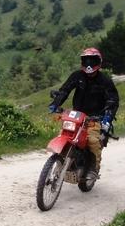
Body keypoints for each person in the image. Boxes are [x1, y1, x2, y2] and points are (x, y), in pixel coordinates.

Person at [48, 47, 119, 175]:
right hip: (77, 116)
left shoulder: (105, 81)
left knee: (92, 141)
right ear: (82, 62)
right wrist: (55, 104)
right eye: (86, 61)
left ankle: (93, 169)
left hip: (95, 118)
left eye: (92, 61)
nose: (89, 64)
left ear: (99, 62)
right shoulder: (77, 76)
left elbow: (112, 100)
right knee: (64, 135)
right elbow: (64, 90)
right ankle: (60, 163)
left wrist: (107, 117)